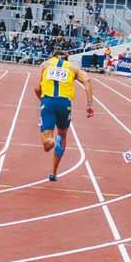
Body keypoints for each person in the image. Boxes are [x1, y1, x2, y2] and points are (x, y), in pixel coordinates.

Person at [35, 51, 93, 182]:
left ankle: (54, 141)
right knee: (63, 135)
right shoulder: (73, 67)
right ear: (67, 59)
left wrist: (42, 101)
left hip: (48, 101)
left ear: (53, 57)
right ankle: (54, 173)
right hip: (64, 104)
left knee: (46, 144)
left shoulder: (45, 64)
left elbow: (37, 88)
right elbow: (87, 80)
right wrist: (90, 104)